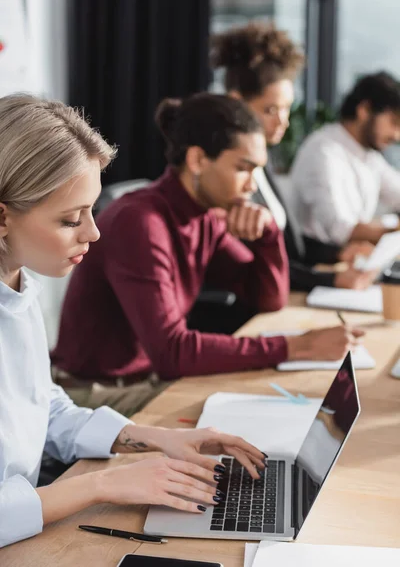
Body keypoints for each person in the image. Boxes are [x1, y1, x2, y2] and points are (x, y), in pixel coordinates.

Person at [0, 93, 269, 548]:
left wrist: (155, 439)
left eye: (91, 210)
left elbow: (44, 407)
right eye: (70, 219)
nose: (93, 232)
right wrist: (100, 485)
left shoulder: (19, 282)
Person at [52, 92, 364, 411]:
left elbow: (268, 298)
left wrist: (268, 235)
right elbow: (172, 353)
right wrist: (296, 346)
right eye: (244, 169)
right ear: (198, 160)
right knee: (259, 408)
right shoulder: (141, 223)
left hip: (147, 380)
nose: (252, 185)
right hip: (92, 394)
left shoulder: (203, 217)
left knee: (273, 401)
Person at [211, 22, 376, 291]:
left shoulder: (263, 162)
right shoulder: (228, 174)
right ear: (235, 102)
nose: (283, 121)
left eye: (287, 109)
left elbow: (290, 248)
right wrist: (329, 279)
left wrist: (336, 254)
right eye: (271, 110)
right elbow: (253, 267)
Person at [291, 71, 400, 248]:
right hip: (320, 263)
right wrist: (393, 231)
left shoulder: (369, 156)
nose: (397, 135)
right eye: (393, 122)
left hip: (351, 259)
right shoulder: (323, 151)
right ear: (364, 110)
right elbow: (339, 228)